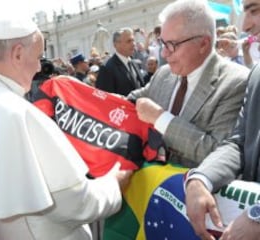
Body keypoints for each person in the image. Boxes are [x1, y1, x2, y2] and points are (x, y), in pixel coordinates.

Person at [0, 18, 132, 240]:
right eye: (37, 57)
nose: (38, 67)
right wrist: (114, 182)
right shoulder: (18, 113)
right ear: (17, 54)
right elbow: (77, 204)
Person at [127, 0, 249, 168]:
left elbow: (219, 153)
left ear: (203, 44)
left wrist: (160, 118)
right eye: (163, 43)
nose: (164, 53)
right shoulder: (164, 74)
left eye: (172, 45)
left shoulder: (236, 83)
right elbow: (130, 101)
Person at [185, 0, 260, 239]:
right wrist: (200, 179)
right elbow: (239, 142)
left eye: (255, 9)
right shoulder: (257, 74)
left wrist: (257, 217)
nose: (245, 25)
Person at [96, 27, 145, 96]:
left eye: (133, 40)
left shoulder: (135, 63)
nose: (133, 44)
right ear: (116, 45)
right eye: (129, 41)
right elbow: (106, 98)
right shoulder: (107, 68)